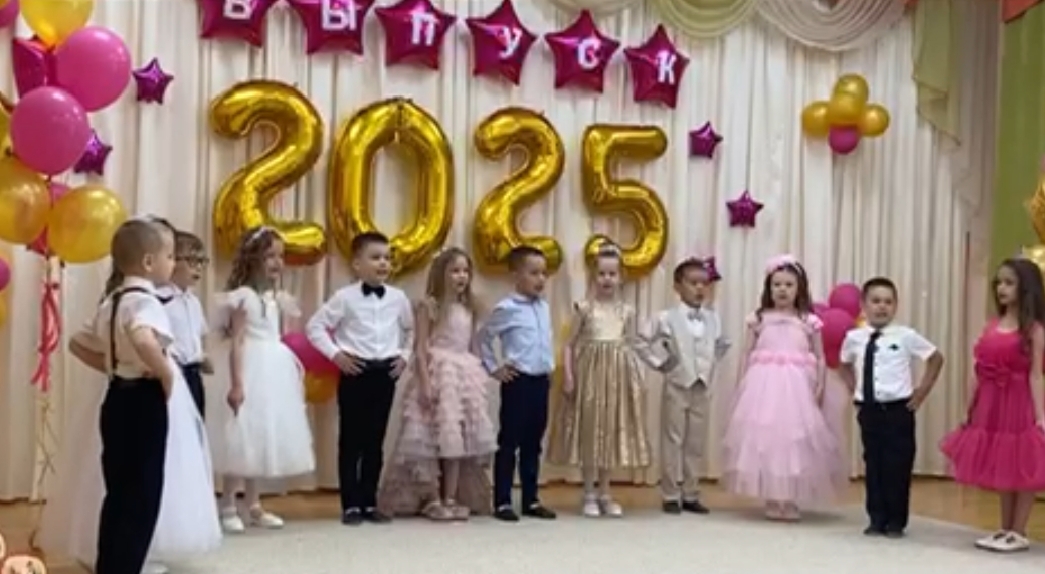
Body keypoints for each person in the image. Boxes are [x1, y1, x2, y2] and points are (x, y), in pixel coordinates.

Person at [42, 217, 220, 574]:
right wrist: (165, 373)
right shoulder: (146, 302)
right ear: (149, 262)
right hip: (144, 400)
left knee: (119, 492)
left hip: (116, 399)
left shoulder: (112, 301)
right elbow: (142, 337)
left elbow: (78, 342)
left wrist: (112, 365)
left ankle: (111, 564)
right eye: (170, 256)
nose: (173, 263)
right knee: (142, 495)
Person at [721, 254, 844, 521]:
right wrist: (741, 381)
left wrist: (820, 383)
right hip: (763, 386)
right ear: (769, 288)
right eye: (776, 284)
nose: (782, 290)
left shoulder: (808, 320)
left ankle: (789, 497)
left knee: (793, 439)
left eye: (789, 285)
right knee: (766, 440)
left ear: (799, 288)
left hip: (798, 387)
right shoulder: (758, 318)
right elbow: (746, 352)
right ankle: (772, 496)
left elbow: (820, 356)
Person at [377, 247, 496, 521]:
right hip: (438, 372)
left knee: (456, 439)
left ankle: (451, 497)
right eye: (455, 271)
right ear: (441, 274)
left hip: (463, 375)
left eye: (465, 271)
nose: (461, 276)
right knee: (429, 438)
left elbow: (473, 345)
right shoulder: (429, 306)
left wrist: (480, 379)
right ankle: (431, 497)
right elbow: (420, 349)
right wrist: (425, 383)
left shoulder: (470, 307)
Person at [209, 226, 315, 533]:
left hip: (273, 369)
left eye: (281, 256)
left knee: (260, 436)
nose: (277, 262)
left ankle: (253, 504)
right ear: (252, 258)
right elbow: (238, 340)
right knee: (240, 435)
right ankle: (229, 502)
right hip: (249, 367)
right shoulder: (243, 297)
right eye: (269, 256)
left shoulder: (275, 298)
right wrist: (237, 383)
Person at [306, 231, 414, 526]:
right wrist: (336, 355)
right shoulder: (344, 298)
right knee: (351, 440)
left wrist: (405, 356)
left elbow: (410, 330)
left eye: (387, 258)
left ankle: (369, 501)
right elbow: (315, 327)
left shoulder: (398, 298)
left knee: (375, 441)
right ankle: (350, 504)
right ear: (356, 264)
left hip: (385, 373)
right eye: (375, 257)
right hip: (356, 373)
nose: (383, 263)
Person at [940, 258, 1045, 552]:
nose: (1001, 288)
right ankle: (1005, 527)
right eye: (999, 282)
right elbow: (979, 371)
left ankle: (1019, 530)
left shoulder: (1033, 330)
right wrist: (969, 407)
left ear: (1025, 287)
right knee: (1003, 462)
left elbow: (1035, 375)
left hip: (1019, 401)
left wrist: (1040, 416)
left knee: (1022, 462)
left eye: (1009, 283)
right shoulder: (992, 326)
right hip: (991, 402)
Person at [548, 242, 650, 517]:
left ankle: (606, 491)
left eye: (612, 274)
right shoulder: (584, 309)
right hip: (590, 378)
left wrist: (637, 378)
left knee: (611, 432)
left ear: (621, 277)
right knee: (591, 433)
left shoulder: (627, 311)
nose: (607, 279)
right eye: (602, 274)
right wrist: (569, 376)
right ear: (594, 276)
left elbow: (632, 345)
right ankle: (589, 492)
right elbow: (569, 345)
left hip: (616, 378)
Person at [839, 277, 943, 539]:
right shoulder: (854, 337)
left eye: (888, 302)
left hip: (898, 410)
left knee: (897, 464)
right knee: (873, 463)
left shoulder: (905, 336)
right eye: (876, 301)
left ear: (895, 306)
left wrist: (921, 392)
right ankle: (876, 518)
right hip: (869, 409)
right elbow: (844, 364)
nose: (882, 307)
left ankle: (896, 520)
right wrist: (855, 389)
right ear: (864, 305)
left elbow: (935, 358)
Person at [634, 255, 728, 515]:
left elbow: (721, 344)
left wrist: (708, 366)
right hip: (677, 385)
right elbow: (640, 341)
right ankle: (670, 493)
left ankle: (691, 492)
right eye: (693, 282)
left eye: (704, 283)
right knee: (672, 439)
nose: (699, 288)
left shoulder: (713, 318)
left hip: (702, 387)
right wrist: (661, 363)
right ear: (677, 286)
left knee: (696, 442)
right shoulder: (665, 318)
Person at [478, 245, 557, 522]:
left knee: (533, 442)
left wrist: (549, 367)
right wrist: (494, 368)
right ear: (516, 276)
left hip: (540, 381)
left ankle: (531, 499)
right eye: (533, 273)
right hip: (518, 381)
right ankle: (502, 500)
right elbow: (483, 338)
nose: (540, 279)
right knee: (509, 441)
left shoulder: (544, 307)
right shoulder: (506, 308)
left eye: (543, 273)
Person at [156, 230, 211, 418]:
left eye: (202, 262)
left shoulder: (194, 302)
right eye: (192, 261)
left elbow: (198, 336)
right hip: (173, 373)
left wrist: (202, 357)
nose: (198, 268)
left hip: (194, 375)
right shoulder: (161, 300)